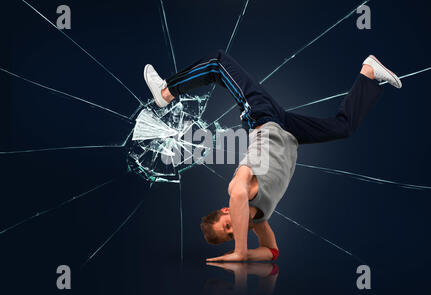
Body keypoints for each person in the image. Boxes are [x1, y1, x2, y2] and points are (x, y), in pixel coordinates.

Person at [144, 50, 402, 262]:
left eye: (227, 225)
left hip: (262, 119)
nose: (235, 229)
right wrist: (244, 257)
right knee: (343, 127)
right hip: (288, 129)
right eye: (232, 235)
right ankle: (368, 73)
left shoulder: (238, 188)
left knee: (217, 63)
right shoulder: (260, 220)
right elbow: (272, 252)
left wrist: (240, 251)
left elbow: (238, 196)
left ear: (226, 210)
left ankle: (165, 94)